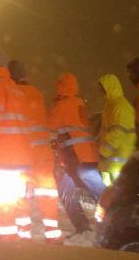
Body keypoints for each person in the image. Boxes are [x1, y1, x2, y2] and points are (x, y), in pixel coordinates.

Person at [0, 50, 34, 240]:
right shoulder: (14, 88)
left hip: (4, 156)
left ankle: (9, 247)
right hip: (22, 156)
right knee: (19, 203)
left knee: (3, 204)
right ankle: (24, 243)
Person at [9, 60, 62, 244]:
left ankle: (24, 234)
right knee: (47, 194)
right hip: (42, 153)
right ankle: (53, 233)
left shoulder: (12, 94)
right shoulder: (37, 94)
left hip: (21, 154)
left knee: (19, 195)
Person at [49, 72, 106, 236]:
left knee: (88, 193)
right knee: (72, 190)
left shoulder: (61, 106)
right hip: (86, 156)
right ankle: (85, 228)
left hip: (75, 157)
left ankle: (109, 223)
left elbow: (49, 127)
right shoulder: (79, 103)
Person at [97, 74, 137, 186]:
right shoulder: (111, 105)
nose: (101, 91)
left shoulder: (120, 106)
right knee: (111, 196)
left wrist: (104, 151)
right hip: (112, 160)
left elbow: (118, 132)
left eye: (102, 88)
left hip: (119, 160)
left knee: (119, 195)